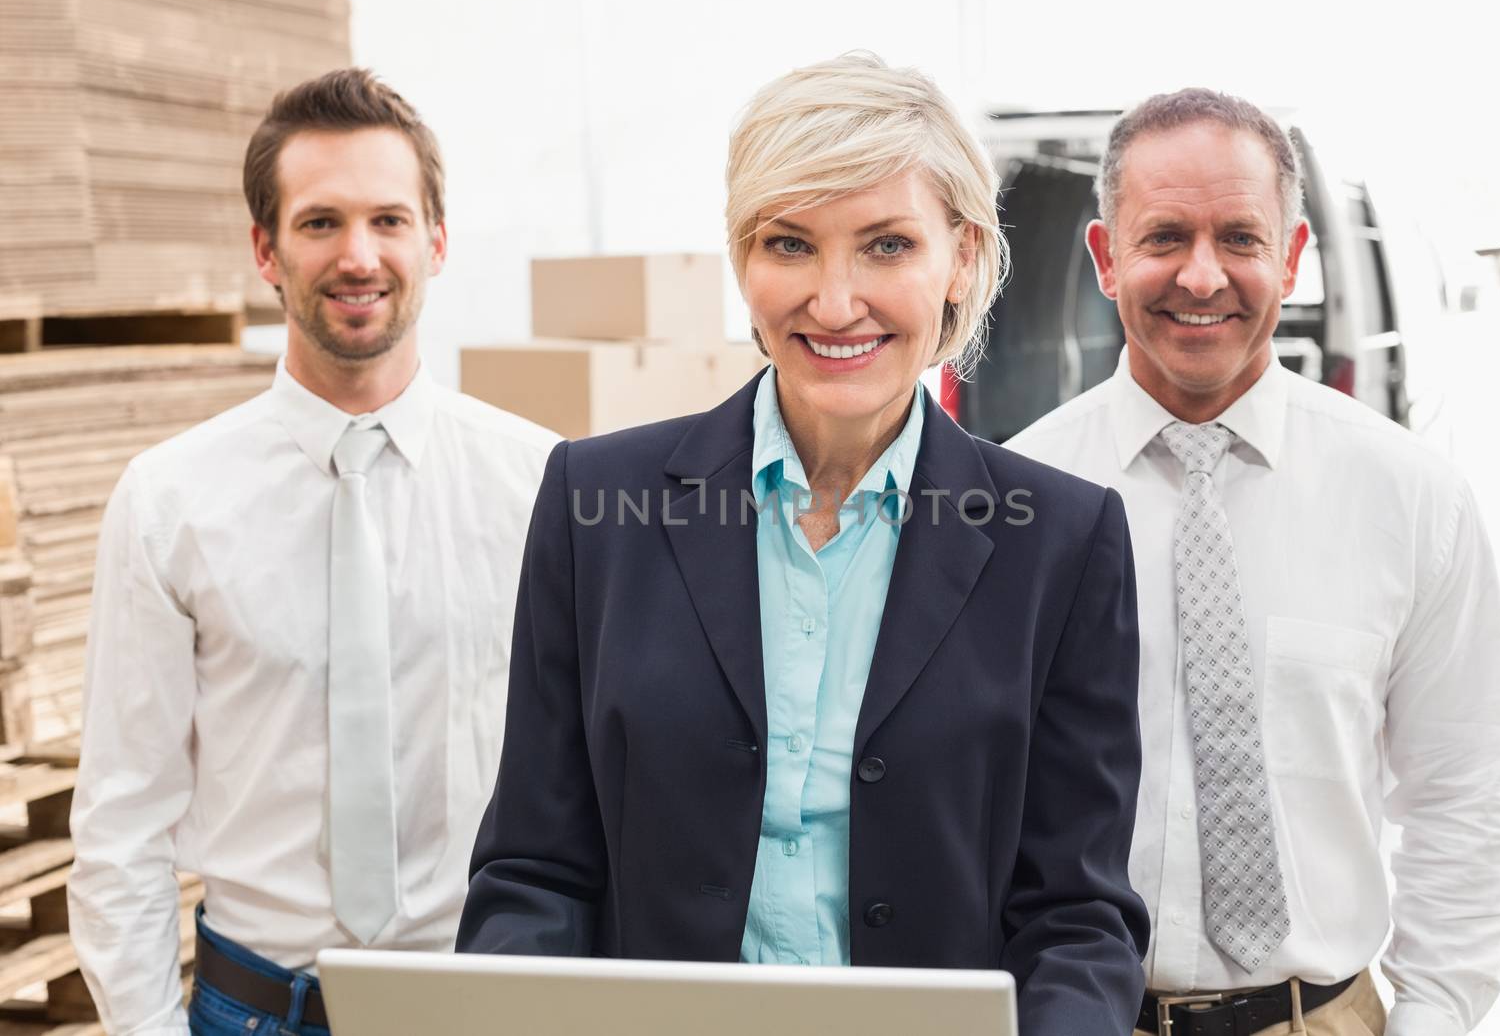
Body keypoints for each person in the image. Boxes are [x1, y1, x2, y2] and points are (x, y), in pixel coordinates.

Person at [456, 52, 1149, 1034]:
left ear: (961, 257)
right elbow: (536, 869)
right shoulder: (594, 503)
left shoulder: (1063, 542)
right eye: (789, 244)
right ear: (742, 261)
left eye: (885, 245)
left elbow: (1075, 912)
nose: (832, 301)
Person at [1008, 88, 1500, 1036]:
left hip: (1318, 1019)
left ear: (1289, 257)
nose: (1202, 277)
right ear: (1105, 258)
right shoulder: (1015, 501)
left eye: (1240, 239)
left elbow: (1464, 795)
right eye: (1164, 237)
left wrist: (1433, 1016)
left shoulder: (1410, 497)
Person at [67, 68, 561, 1036]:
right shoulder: (170, 501)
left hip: (476, 1003)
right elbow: (121, 822)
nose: (359, 255)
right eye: (321, 222)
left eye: (388, 219)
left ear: (437, 240)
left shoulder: (541, 484)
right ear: (266, 248)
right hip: (250, 1009)